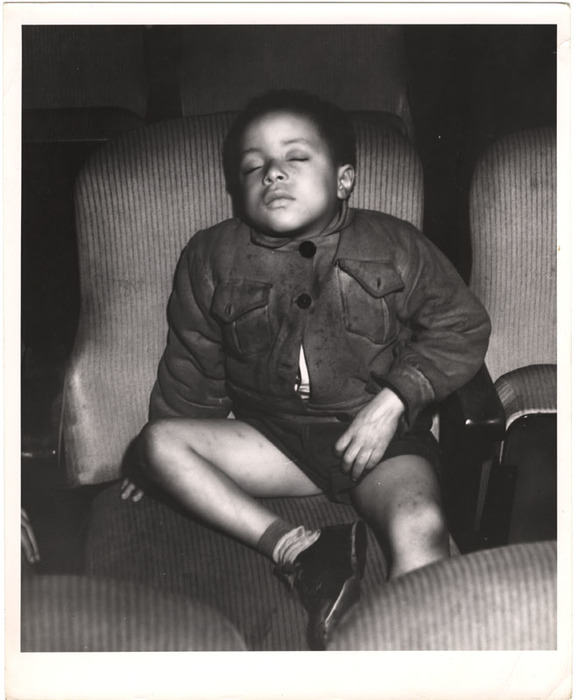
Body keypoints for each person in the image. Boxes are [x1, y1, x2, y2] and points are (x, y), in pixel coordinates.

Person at [121, 90, 491, 649]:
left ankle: (399, 665)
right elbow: (192, 364)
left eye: (296, 157)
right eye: (254, 166)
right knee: (158, 444)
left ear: (344, 180)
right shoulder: (210, 255)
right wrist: (155, 467)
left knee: (421, 526)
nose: (273, 173)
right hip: (277, 442)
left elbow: (461, 327)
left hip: (379, 444)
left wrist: (392, 403)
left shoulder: (396, 244)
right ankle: (299, 549)